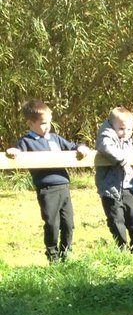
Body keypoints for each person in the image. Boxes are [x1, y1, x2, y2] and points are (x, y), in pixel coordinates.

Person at [5, 99, 91, 263]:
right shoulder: (26, 141)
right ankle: (53, 255)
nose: (48, 127)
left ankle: (67, 253)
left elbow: (72, 146)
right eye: (43, 123)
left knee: (68, 223)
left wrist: (81, 147)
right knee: (52, 222)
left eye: (49, 123)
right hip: (46, 188)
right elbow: (18, 152)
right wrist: (13, 151)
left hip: (64, 185)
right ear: (31, 123)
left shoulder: (55, 139)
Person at [95, 105, 133, 251]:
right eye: (121, 129)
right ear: (112, 126)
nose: (125, 133)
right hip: (111, 188)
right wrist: (122, 161)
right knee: (116, 219)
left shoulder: (131, 142)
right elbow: (106, 147)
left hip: (129, 188)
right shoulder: (106, 137)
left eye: (129, 129)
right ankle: (122, 247)